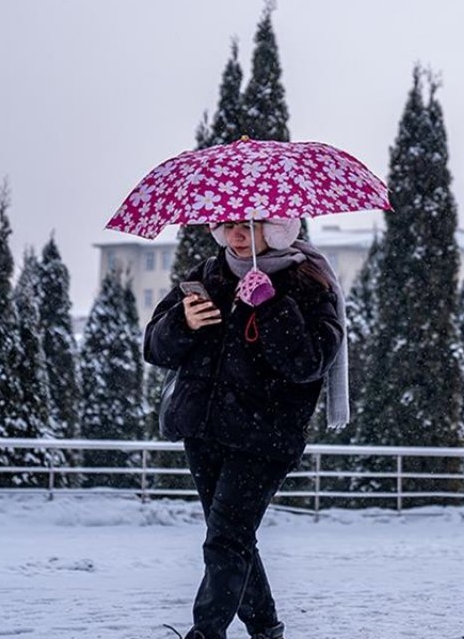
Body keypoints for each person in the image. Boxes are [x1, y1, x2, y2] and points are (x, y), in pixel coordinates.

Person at [145, 217, 345, 639]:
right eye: (228, 225)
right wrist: (183, 323)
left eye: (251, 226)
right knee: (232, 538)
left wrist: (271, 306)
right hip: (203, 431)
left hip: (264, 438)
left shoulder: (309, 283)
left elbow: (308, 364)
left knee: (226, 540)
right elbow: (155, 348)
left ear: (277, 231)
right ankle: (266, 627)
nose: (237, 235)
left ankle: (206, 632)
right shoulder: (206, 275)